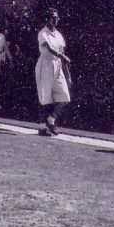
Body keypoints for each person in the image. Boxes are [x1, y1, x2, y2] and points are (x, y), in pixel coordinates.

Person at [35, 8, 71, 136]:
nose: (56, 20)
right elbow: (48, 48)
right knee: (45, 98)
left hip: (57, 66)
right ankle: (42, 127)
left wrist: (68, 74)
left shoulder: (59, 35)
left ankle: (51, 121)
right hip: (45, 65)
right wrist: (62, 56)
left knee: (64, 97)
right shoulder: (42, 33)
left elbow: (62, 53)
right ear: (47, 19)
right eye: (53, 17)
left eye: (57, 17)